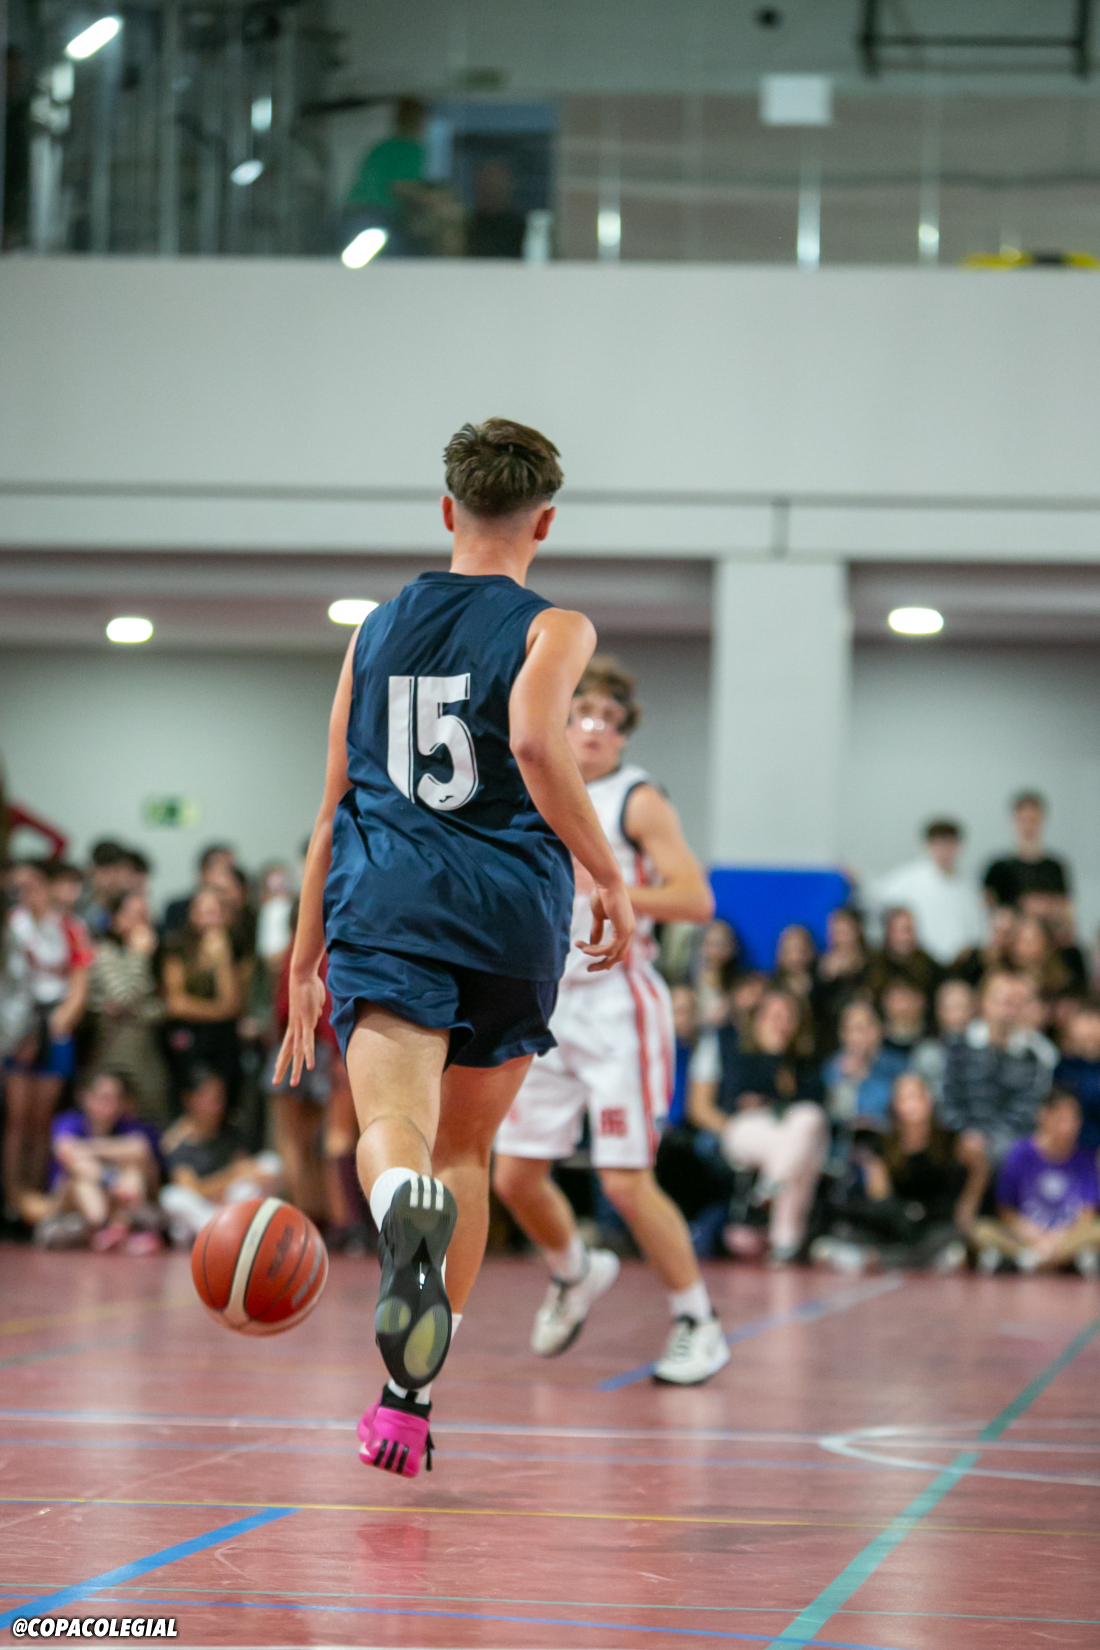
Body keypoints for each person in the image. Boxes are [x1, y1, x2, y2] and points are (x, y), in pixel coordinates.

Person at [276, 418, 636, 1478]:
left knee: (392, 1129)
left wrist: (302, 959)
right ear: (544, 522)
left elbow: (332, 803)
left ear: (447, 510)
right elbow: (533, 740)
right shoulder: (555, 626)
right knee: (467, 1153)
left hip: (387, 902)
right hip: (513, 912)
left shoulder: (375, 629)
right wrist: (605, 871)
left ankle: (401, 1212)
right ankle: (406, 1403)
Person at [493, 659, 725, 1385]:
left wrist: (615, 891)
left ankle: (698, 1320)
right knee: (515, 1178)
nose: (593, 729)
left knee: (625, 1182)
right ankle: (575, 1270)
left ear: (625, 734)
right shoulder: (530, 782)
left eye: (609, 719)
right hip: (545, 999)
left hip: (618, 1003)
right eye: (582, 713)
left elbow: (695, 899)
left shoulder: (637, 799)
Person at [689, 990, 827, 1262]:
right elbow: (715, 1104)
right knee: (804, 1147)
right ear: (758, 1018)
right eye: (775, 1016)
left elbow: (813, 1104)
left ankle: (769, 1191)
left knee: (809, 1123)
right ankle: (785, 1238)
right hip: (738, 1130)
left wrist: (781, 1060)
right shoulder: (734, 1048)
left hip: (786, 1137)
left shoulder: (802, 1061)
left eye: (788, 1017)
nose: (781, 1023)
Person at [812, 1072, 985, 1273]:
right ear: (895, 1104)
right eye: (904, 1098)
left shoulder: (951, 1141)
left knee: (952, 1238)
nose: (912, 1105)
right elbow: (881, 1199)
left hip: (935, 1222)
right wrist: (873, 1169)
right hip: (899, 1222)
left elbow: (980, 1170)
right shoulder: (882, 1144)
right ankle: (903, 1259)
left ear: (929, 1100)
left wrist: (967, 1208)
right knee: (852, 1229)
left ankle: (876, 1260)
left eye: (916, 1097)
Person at [3, 861, 93, 1220]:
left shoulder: (70, 927)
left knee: (43, 1119)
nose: (26, 893)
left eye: (32, 885)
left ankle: (35, 1199)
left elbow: (80, 980)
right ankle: (12, 1196)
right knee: (17, 1119)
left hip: (54, 1023)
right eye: (19, 887)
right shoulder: (13, 925)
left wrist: (60, 1022)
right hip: (18, 1024)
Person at [939, 970, 1056, 1172]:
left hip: (1008, 1148)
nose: (1008, 1010)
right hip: (958, 1141)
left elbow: (1027, 1108)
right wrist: (966, 1132)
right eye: (1002, 1001)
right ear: (983, 1002)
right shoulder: (957, 1046)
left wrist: (990, 1142)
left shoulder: (1036, 1055)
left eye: (1016, 1003)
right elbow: (947, 1097)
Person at [973, 1089, 1100, 1275]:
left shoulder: (1085, 1159)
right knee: (981, 1230)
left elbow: (1087, 1213)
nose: (1067, 1127)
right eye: (1061, 1119)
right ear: (1043, 1115)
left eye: (1073, 1119)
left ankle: (1031, 1259)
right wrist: (1033, 1235)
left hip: (1066, 1237)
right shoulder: (1019, 1154)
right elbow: (1006, 1209)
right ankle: (1061, 1259)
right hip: (1027, 1236)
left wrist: (1057, 1239)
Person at [34, 1071, 161, 1253]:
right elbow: (66, 1151)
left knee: (133, 1168)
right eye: (105, 1097)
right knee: (80, 1174)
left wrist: (88, 1147)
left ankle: (118, 1229)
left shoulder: (126, 1125)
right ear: (87, 1098)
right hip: (71, 1204)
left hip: (115, 1200)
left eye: (116, 1098)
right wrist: (111, 1179)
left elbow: (139, 1148)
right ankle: (105, 1226)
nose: (111, 1104)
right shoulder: (69, 1121)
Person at [159, 1068, 283, 1245]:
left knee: (270, 1162)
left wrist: (239, 1178)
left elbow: (249, 1169)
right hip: (201, 1210)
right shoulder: (178, 1143)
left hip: (229, 1204)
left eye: (219, 1098)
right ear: (191, 1099)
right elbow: (192, 1188)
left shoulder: (230, 1132)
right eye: (210, 1098)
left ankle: (234, 1228)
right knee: (171, 1196)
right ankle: (221, 1231)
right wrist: (231, 1176)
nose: (218, 1105)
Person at [87, 890, 168, 1123]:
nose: (141, 923)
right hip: (114, 1050)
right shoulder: (105, 953)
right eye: (134, 914)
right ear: (116, 919)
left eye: (145, 915)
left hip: (147, 1051)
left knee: (152, 1117)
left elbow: (164, 1008)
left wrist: (132, 1011)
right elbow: (123, 997)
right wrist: (138, 955)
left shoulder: (158, 954)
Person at [160, 888, 243, 1108]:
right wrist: (219, 1011)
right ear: (192, 914)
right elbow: (176, 1004)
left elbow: (232, 1003)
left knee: (223, 1094)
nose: (208, 919)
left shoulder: (234, 947)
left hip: (223, 1038)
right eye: (203, 911)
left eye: (214, 912)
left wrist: (221, 959)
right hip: (188, 1035)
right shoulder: (177, 946)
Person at [867, 821, 985, 967]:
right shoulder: (909, 878)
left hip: (961, 963)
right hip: (920, 962)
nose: (943, 851)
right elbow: (876, 898)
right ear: (928, 846)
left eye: (948, 844)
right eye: (938, 844)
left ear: (959, 846)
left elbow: (978, 927)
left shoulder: (968, 887)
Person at [822, 998, 908, 1128]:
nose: (859, 1036)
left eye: (866, 1028)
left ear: (879, 1030)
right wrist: (849, 1080)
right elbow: (836, 1117)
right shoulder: (833, 1068)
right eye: (853, 1029)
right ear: (842, 1034)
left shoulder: (898, 1066)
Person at [983, 792, 1071, 917]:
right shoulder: (998, 870)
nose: (1028, 826)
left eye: (1033, 820)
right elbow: (987, 914)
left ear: (1042, 820)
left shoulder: (1055, 868)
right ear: (1014, 821)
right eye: (1023, 819)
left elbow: (1067, 913)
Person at [911, 977, 976, 1104]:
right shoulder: (926, 1053)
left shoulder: (988, 1047)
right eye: (949, 1007)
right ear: (939, 1011)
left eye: (961, 1006)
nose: (957, 1014)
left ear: (973, 1008)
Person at [813, 906, 868, 1054]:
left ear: (857, 930)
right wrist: (825, 978)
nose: (840, 938)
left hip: (866, 1038)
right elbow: (815, 1008)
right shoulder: (818, 967)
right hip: (830, 1041)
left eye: (845, 931)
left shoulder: (872, 963)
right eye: (835, 932)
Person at [864, 907, 941, 1000]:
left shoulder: (930, 968)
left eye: (909, 930)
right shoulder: (873, 968)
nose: (906, 937)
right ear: (888, 932)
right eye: (901, 931)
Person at [1053, 1003, 1100, 1156]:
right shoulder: (1060, 1068)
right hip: (1066, 1148)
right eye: (1085, 1021)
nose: (1090, 1030)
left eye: (1094, 1021)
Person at [691, 919, 741, 1028]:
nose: (714, 951)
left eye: (720, 945)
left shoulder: (739, 987)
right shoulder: (690, 982)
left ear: (731, 948)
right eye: (709, 944)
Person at [879, 977, 929, 1059]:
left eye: (910, 999)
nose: (904, 1006)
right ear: (885, 1004)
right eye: (898, 1000)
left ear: (922, 1002)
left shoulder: (934, 1038)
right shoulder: (875, 1040)